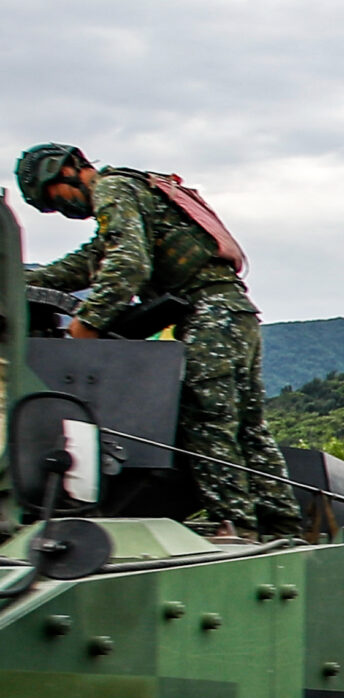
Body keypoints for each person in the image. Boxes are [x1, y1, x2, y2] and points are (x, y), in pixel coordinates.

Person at [14, 144, 297, 541]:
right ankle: (282, 525)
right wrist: (17, 281)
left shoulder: (113, 191)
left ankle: (237, 526)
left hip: (209, 314)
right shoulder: (133, 194)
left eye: (52, 199)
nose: (59, 210)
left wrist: (89, 321)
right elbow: (85, 264)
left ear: (64, 171)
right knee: (247, 427)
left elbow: (129, 264)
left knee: (207, 417)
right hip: (234, 313)